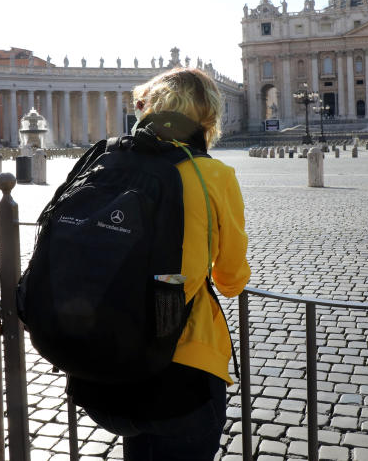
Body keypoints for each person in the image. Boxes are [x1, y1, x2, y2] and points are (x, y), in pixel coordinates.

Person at [70, 67, 250, 460]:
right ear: (207, 117)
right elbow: (232, 278)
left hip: (112, 355)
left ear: (147, 110)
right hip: (184, 362)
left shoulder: (108, 159)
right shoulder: (214, 176)